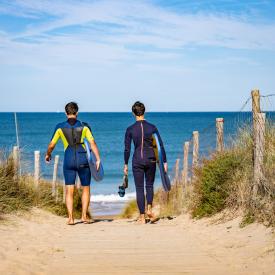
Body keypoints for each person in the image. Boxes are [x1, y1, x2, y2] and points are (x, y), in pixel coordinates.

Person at [45, 102, 101, 225]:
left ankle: (70, 218)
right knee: (86, 188)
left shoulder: (60, 127)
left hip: (69, 158)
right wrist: (98, 159)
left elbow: (51, 145)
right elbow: (92, 143)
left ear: (66, 113)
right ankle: (84, 217)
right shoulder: (84, 126)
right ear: (77, 112)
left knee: (69, 189)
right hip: (82, 158)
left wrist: (48, 154)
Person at [124, 101, 168, 224]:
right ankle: (149, 208)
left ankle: (142, 217)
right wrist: (164, 161)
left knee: (139, 188)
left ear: (133, 113)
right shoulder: (152, 127)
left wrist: (125, 164)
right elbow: (160, 145)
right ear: (144, 111)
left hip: (137, 159)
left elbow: (127, 148)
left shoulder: (130, 129)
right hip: (151, 159)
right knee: (149, 185)